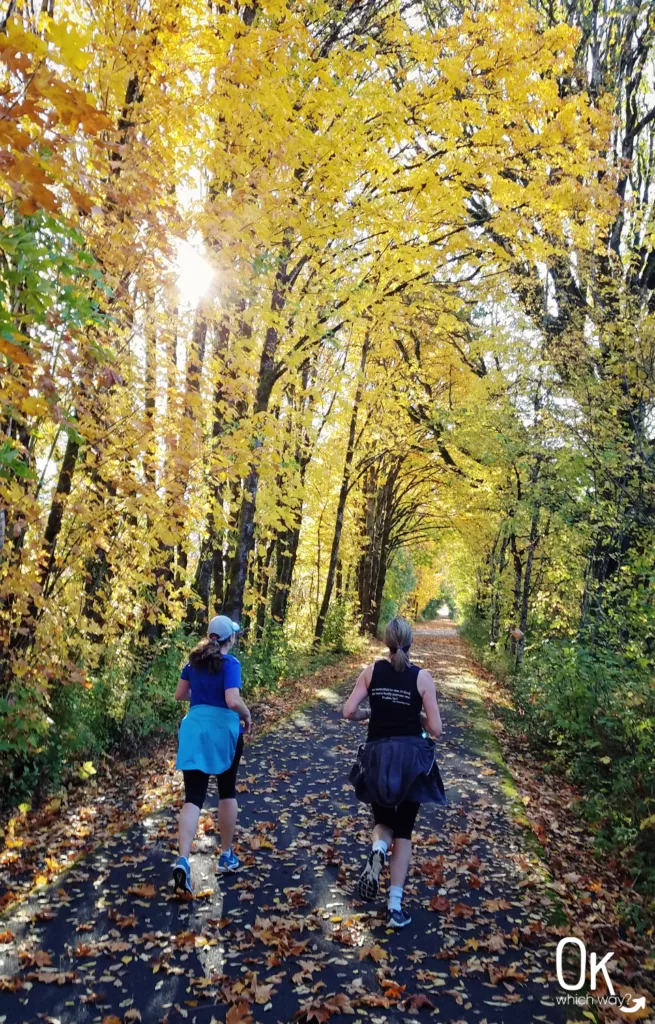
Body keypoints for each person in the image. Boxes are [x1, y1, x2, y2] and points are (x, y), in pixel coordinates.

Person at [343, 616, 446, 928]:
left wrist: (367, 714)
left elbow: (348, 711)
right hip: (412, 762)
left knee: (383, 822)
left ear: (385, 642)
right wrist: (418, 718)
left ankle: (377, 848)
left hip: (378, 758)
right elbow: (437, 729)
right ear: (410, 642)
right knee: (404, 831)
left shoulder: (372, 671)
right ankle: (395, 906)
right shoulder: (421, 677)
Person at [172, 614, 252, 895]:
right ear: (230, 639)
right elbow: (232, 700)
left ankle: (183, 859)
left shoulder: (192, 662)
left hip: (194, 730)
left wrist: (201, 690)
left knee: (193, 797)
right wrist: (247, 714)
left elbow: (180, 695)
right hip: (222, 732)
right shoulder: (230, 664)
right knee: (227, 791)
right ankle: (226, 854)